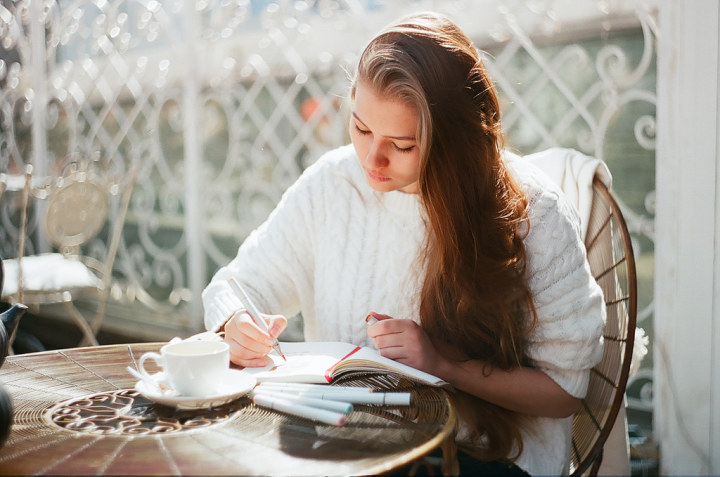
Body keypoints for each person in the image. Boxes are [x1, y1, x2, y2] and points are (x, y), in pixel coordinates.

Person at [202, 11, 604, 476]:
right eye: (361, 128)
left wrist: (441, 363)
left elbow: (564, 391)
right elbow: (238, 283)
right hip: (347, 439)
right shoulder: (332, 186)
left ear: (451, 141)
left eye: (403, 144)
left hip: (485, 454)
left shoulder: (531, 212)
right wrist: (236, 323)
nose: (371, 158)